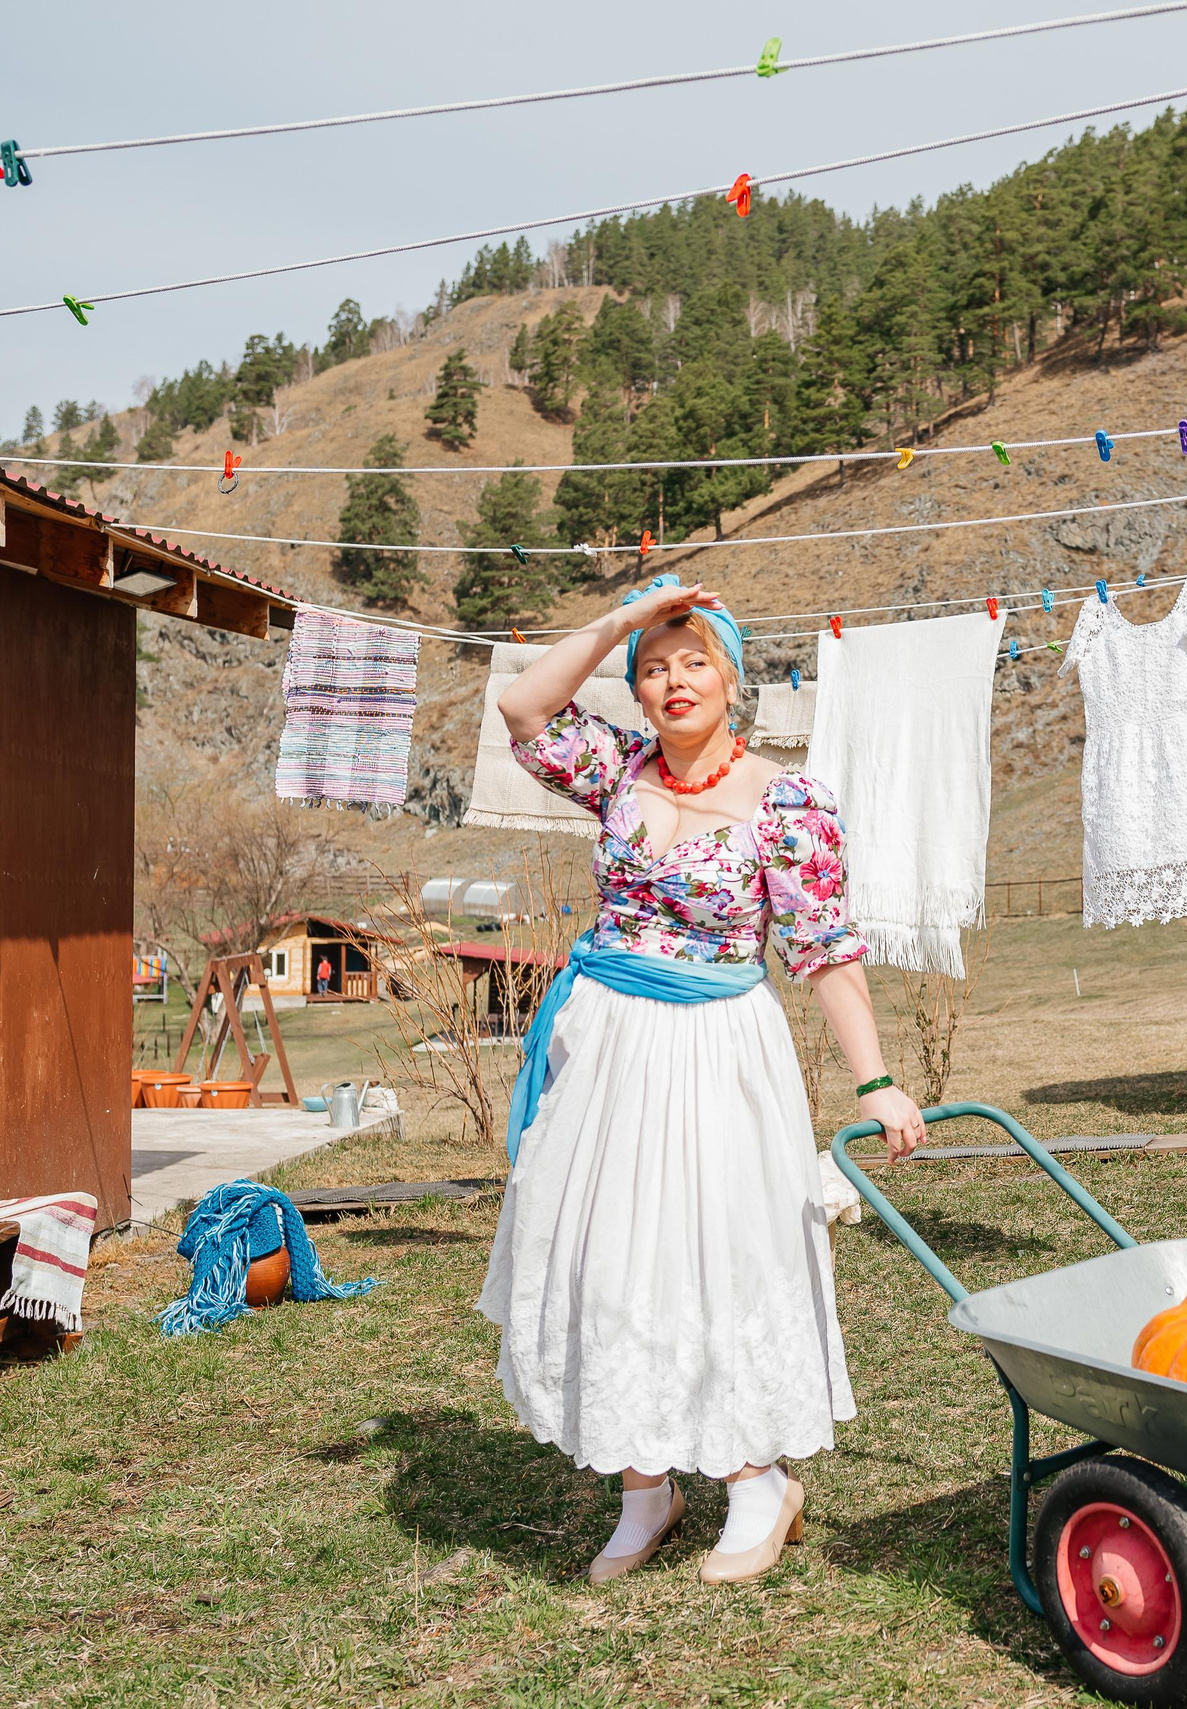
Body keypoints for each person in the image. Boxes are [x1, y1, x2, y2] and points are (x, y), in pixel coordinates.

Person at [479, 575, 927, 1587]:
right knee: (605, 1255)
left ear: (732, 679)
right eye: (654, 665)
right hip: (606, 1044)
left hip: (719, 1047)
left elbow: (826, 950)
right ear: (634, 687)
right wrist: (620, 619)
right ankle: (646, 1489)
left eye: (694, 660)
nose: (673, 679)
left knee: (722, 1258)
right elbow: (520, 706)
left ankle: (755, 1480)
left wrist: (878, 1081)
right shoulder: (611, 767)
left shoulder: (786, 801)